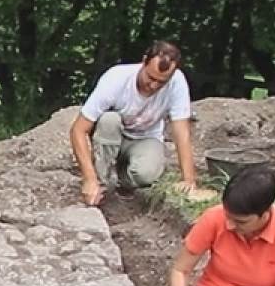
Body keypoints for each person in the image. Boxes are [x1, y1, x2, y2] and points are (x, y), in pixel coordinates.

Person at [69, 41, 214, 205]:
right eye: (151, 78)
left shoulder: (177, 83)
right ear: (144, 61)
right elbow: (78, 130)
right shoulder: (116, 78)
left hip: (146, 138)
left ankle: (124, 179)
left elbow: (182, 132)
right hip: (113, 134)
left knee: (147, 174)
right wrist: (89, 178)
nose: (154, 85)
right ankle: (99, 183)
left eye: (161, 82)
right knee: (109, 120)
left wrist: (189, 180)